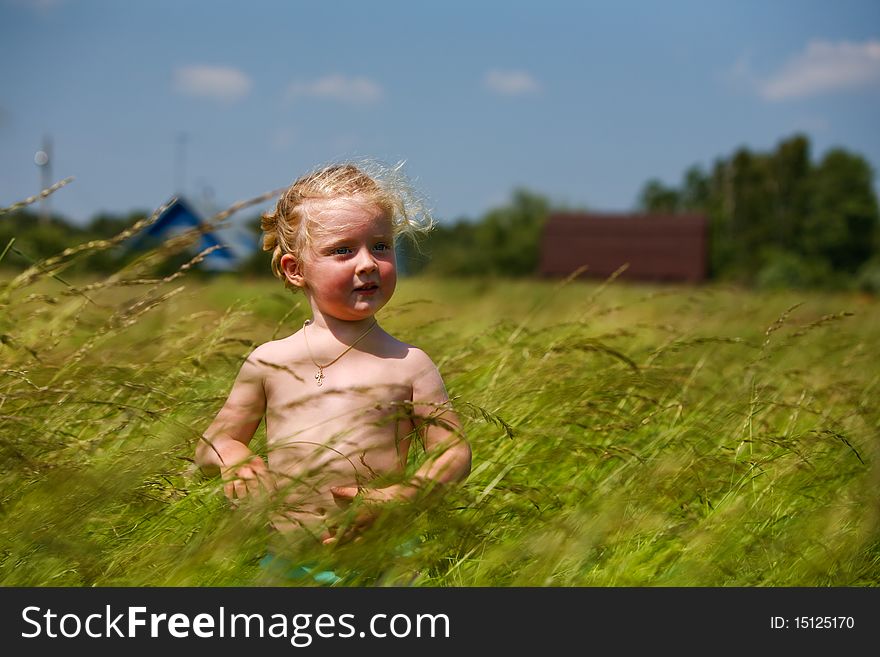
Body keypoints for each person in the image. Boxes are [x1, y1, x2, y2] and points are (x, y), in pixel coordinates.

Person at [194, 161, 471, 583]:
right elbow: (214, 442)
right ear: (295, 269)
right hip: (287, 566)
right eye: (343, 250)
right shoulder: (269, 361)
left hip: (382, 560)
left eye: (380, 246)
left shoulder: (408, 363)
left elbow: (453, 452)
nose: (368, 264)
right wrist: (234, 458)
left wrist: (407, 495)